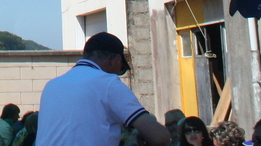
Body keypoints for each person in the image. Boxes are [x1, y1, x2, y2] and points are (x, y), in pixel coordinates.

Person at [36, 31, 171, 146]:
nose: (118, 74)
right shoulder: (108, 83)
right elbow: (160, 137)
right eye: (121, 69)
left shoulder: (51, 85)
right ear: (115, 60)